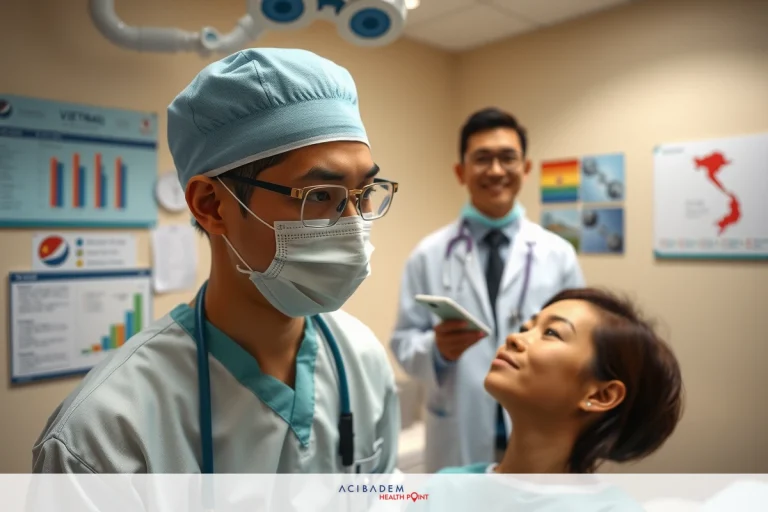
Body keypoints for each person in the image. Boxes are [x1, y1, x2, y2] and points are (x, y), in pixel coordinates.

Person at [32, 48, 401, 473]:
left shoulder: (362, 359)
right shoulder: (100, 438)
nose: (354, 225)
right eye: (319, 195)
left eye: (364, 193)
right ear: (211, 205)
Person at [390, 107, 585, 472]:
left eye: (507, 158)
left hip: (538, 423)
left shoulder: (558, 254)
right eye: (482, 159)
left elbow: (581, 344)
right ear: (460, 171)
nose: (495, 171)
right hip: (458, 428)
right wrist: (437, 351)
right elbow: (403, 343)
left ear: (525, 168)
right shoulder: (427, 255)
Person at [407, 288, 683, 512]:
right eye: (526, 327)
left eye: (551, 333)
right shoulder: (443, 490)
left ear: (600, 395)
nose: (514, 338)